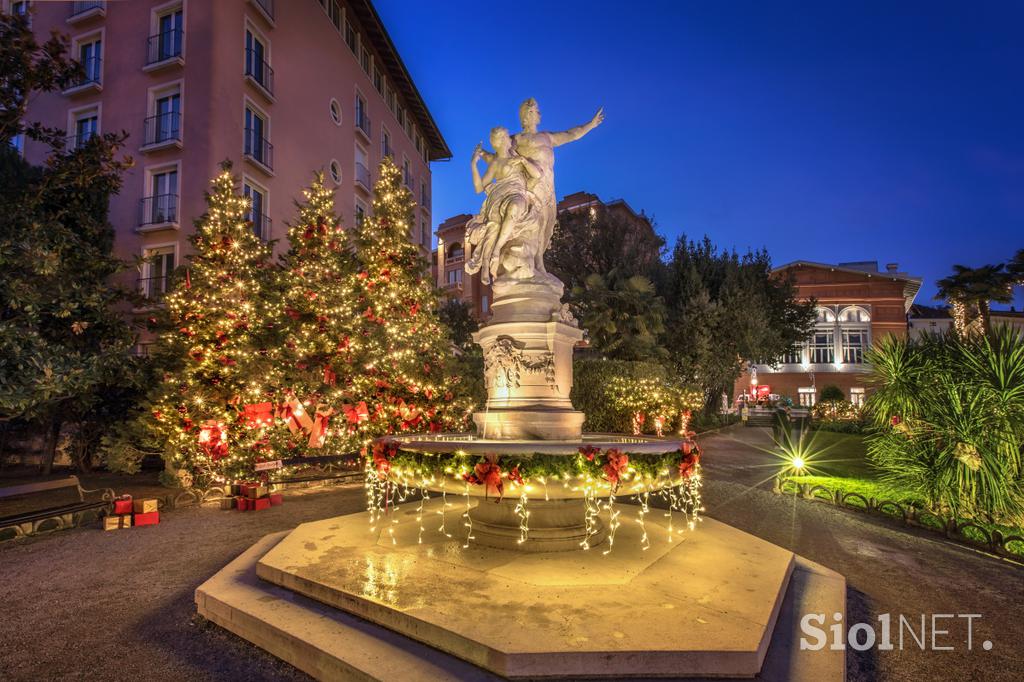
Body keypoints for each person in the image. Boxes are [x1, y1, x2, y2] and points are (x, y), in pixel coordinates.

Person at [465, 127, 541, 284]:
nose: (510, 139)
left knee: (514, 208)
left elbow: (537, 175)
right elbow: (479, 188)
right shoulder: (495, 163)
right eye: (507, 137)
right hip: (498, 196)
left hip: (517, 193)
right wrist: (473, 165)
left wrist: (524, 161)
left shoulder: (517, 157)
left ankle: (497, 250)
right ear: (500, 142)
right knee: (493, 226)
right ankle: (485, 265)